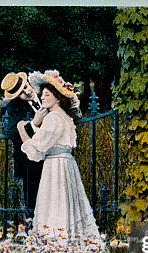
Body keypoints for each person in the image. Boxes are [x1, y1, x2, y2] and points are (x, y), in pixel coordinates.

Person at [17, 70, 100, 240]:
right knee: (65, 201)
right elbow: (51, 139)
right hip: (67, 165)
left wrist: (21, 129)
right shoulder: (66, 118)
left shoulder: (53, 117)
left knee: (55, 202)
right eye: (43, 95)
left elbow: (36, 149)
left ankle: (56, 243)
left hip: (55, 166)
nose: (43, 98)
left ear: (58, 97)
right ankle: (68, 239)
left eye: (47, 95)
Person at [0, 72, 47, 219]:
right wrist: (34, 123)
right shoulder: (13, 109)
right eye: (21, 93)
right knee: (33, 201)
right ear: (15, 97)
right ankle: (32, 229)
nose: (27, 92)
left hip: (53, 155)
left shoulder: (46, 94)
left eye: (26, 87)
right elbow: (13, 133)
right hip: (30, 163)